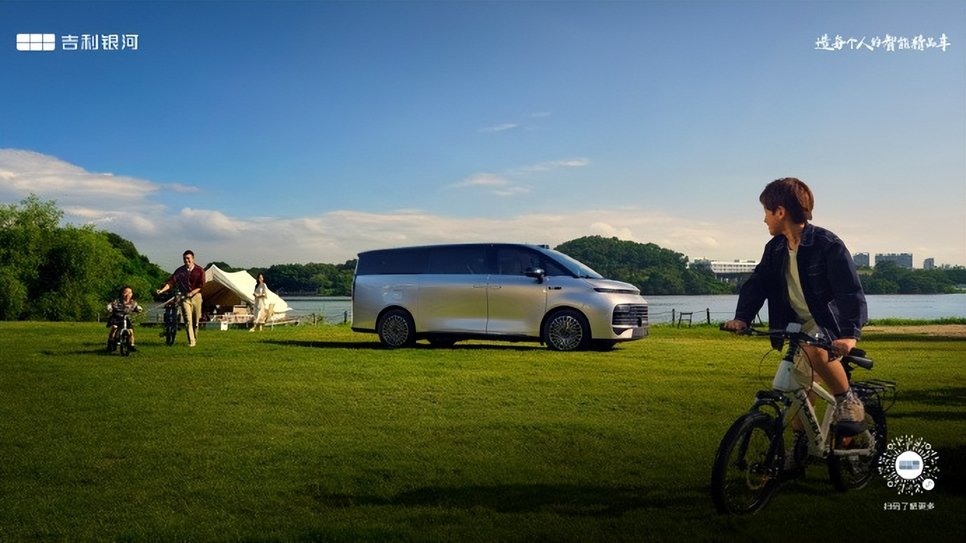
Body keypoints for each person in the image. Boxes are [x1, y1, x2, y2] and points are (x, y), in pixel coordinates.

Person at [722, 178, 868, 436]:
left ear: (780, 212)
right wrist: (742, 317)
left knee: (815, 353)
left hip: (827, 325)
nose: (764, 219)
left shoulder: (827, 244)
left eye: (766, 212)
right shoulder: (775, 248)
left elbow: (849, 291)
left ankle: (848, 401)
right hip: (796, 325)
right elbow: (758, 283)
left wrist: (850, 335)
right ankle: (802, 448)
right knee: (799, 393)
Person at [156, 250, 206, 347]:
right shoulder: (179, 271)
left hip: (196, 296)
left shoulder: (200, 270)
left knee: (195, 321)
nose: (186, 260)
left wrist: (192, 292)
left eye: (188, 258)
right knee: (187, 320)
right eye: (184, 259)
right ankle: (191, 341)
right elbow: (171, 282)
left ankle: (194, 338)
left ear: (193, 259)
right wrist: (162, 290)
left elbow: (202, 285)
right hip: (184, 297)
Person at [107, 286, 143, 351]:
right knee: (114, 327)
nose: (128, 294)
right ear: (122, 293)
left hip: (126, 318)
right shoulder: (117, 301)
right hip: (116, 317)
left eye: (130, 292)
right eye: (126, 292)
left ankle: (131, 345)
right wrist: (109, 308)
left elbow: (136, 307)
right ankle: (110, 342)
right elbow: (110, 305)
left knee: (130, 331)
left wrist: (139, 309)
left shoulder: (133, 302)